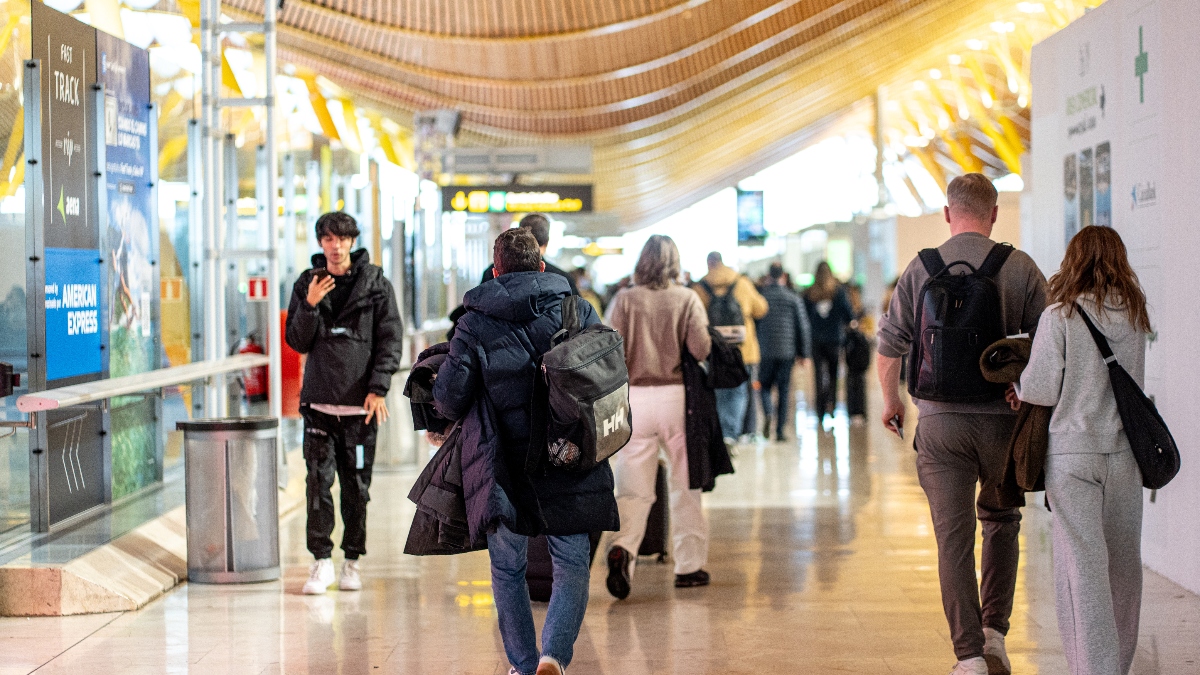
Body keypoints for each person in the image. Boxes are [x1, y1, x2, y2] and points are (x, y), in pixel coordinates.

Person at [876, 173, 1047, 675]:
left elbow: (889, 347)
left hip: (941, 427)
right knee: (1001, 525)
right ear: (994, 214)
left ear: (948, 214)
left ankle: (968, 657)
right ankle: (994, 636)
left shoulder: (921, 268)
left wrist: (893, 403)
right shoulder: (1018, 267)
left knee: (953, 540)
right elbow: (1049, 346)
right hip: (1004, 425)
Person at [433, 228, 618, 675]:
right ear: (541, 266)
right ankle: (554, 655)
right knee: (571, 560)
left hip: (502, 461)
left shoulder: (473, 322)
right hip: (570, 453)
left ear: (496, 271)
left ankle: (521, 663)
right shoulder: (579, 308)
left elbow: (451, 398)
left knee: (508, 567)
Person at [1016, 226, 1149, 675]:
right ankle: (1118, 664)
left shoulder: (1061, 316)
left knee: (1084, 569)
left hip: (1073, 457)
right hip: (1125, 454)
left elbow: (1038, 388)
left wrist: (1017, 383)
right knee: (1124, 564)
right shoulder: (1134, 314)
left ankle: (1096, 669)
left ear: (1073, 260)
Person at [285, 212, 404, 595]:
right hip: (319, 406)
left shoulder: (376, 285)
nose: (335, 246)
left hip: (359, 411)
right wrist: (309, 305)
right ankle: (321, 562)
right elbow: (298, 342)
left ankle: (352, 561)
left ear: (352, 242)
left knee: (356, 487)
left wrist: (378, 388)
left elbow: (390, 339)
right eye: (328, 239)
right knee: (317, 485)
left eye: (342, 239)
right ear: (321, 243)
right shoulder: (309, 283)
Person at [605, 235, 713, 598]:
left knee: (634, 488)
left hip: (634, 398)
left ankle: (624, 549)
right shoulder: (687, 298)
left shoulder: (624, 299)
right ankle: (689, 566)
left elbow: (607, 347)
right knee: (685, 483)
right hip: (675, 398)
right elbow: (700, 348)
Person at [694, 251, 769, 442]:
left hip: (715, 349)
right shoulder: (741, 282)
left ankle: (720, 431)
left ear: (709, 263)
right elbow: (761, 309)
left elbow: (694, 318)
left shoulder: (701, 287)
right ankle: (732, 433)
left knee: (718, 390)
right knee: (740, 391)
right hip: (743, 349)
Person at [754, 262, 811, 441]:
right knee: (784, 390)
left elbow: (755, 324)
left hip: (765, 350)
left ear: (769, 275)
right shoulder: (792, 297)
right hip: (787, 351)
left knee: (764, 386)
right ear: (783, 276)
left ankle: (768, 411)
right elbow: (803, 326)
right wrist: (805, 353)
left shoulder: (761, 296)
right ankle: (779, 431)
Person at [803, 261, 855, 427]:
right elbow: (848, 314)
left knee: (818, 375)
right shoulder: (838, 292)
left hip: (816, 340)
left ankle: (819, 410)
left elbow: (804, 316)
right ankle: (831, 405)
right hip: (834, 340)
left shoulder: (809, 293)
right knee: (833, 375)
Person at [480, 213, 579, 295]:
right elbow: (577, 315)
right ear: (546, 242)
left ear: (517, 236)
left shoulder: (492, 273)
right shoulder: (563, 280)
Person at [843, 282, 874, 424]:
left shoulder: (861, 312)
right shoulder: (851, 312)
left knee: (857, 381)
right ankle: (855, 412)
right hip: (853, 351)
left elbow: (869, 331)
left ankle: (858, 411)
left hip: (858, 351)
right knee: (854, 380)